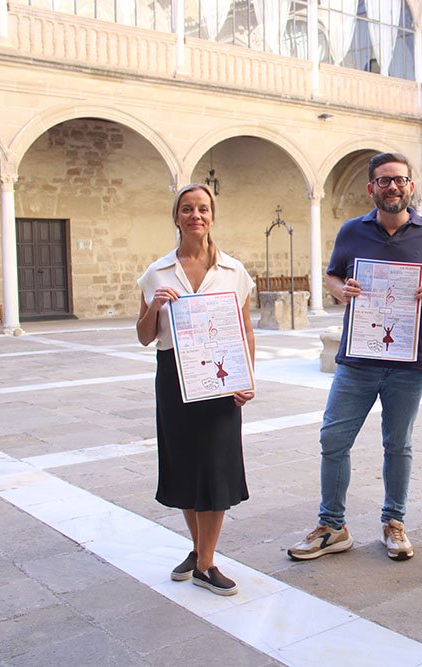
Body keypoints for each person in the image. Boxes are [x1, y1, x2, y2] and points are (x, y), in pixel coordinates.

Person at [288, 152, 422, 562]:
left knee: (398, 444)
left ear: (410, 186)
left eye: (399, 180)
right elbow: (333, 274)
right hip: (358, 358)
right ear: (371, 188)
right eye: (383, 180)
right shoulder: (352, 231)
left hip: (408, 361)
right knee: (333, 438)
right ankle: (332, 526)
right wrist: (339, 290)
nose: (392, 186)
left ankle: (394, 522)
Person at [137, 183, 256, 596]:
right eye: (187, 209)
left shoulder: (234, 272)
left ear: (212, 216)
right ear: (176, 216)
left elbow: (245, 329)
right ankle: (200, 551)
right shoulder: (156, 273)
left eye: (203, 208)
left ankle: (205, 562)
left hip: (221, 378)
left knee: (216, 467)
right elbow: (144, 336)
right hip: (174, 375)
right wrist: (156, 306)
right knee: (186, 464)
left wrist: (246, 378)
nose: (195, 216)